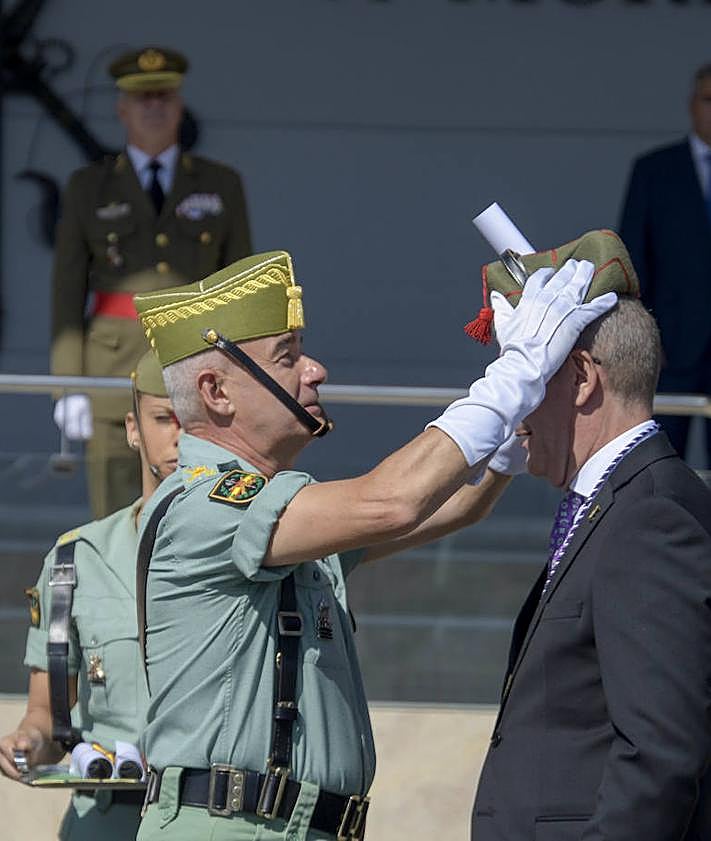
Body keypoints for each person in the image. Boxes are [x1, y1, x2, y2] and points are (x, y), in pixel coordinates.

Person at [129, 248, 615, 840]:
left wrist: (510, 447)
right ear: (217, 392)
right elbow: (389, 502)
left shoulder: (273, 514)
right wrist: (513, 375)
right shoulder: (204, 504)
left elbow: (445, 510)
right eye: (288, 357)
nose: (315, 370)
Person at [470, 231, 711, 841]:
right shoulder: (620, 504)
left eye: (525, 374)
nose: (515, 407)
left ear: (580, 377)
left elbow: (660, 756)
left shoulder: (650, 516)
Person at [51, 45, 252, 519]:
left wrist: (242, 374)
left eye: (164, 95)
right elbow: (66, 292)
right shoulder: (88, 186)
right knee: (114, 515)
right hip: (109, 371)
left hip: (195, 364)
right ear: (122, 108)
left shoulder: (222, 184)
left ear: (180, 105)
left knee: (199, 508)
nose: (154, 106)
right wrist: (67, 385)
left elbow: (240, 284)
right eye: (143, 97)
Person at [0, 351, 180, 841]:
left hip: (205, 818)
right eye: (163, 419)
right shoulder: (76, 559)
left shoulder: (257, 550)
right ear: (133, 428)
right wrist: (28, 742)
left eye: (193, 421)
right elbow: (50, 714)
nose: (180, 437)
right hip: (105, 819)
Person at [619, 62, 711, 466]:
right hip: (671, 349)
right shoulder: (655, 170)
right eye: (709, 100)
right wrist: (648, 338)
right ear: (692, 105)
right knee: (659, 462)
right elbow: (632, 263)